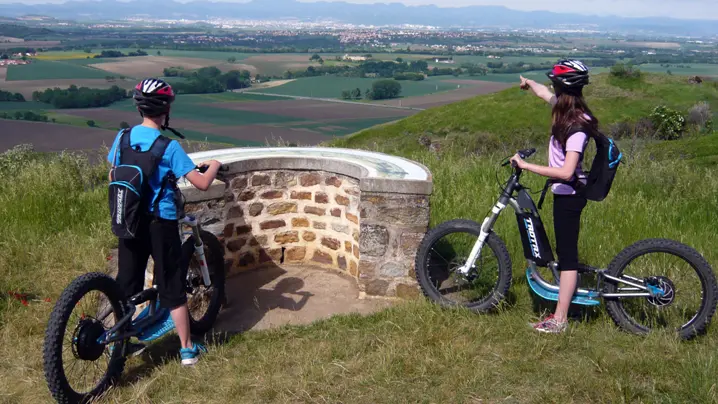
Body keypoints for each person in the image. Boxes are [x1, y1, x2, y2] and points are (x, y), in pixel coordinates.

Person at [107, 78, 222, 364]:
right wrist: (216, 165)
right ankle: (187, 350)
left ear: (139, 107)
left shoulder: (122, 138)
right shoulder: (168, 147)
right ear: (165, 110)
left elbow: (113, 175)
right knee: (172, 285)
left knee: (127, 282)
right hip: (162, 222)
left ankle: (117, 343)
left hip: (129, 219)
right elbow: (202, 183)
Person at [511, 60, 596, 334]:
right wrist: (529, 84)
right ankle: (564, 309)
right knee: (565, 252)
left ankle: (560, 320)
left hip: (570, 196)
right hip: (566, 194)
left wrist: (526, 167)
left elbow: (566, 171)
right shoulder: (567, 110)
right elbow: (544, 94)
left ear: (563, 87)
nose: (551, 88)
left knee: (567, 258)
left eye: (555, 84)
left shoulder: (577, 126)